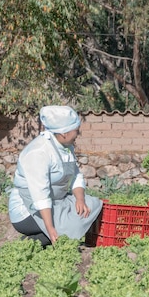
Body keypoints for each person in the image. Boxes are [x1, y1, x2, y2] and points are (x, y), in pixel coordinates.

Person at [7, 105, 103, 246]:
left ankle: (50, 235)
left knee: (92, 205)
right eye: (76, 131)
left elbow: (76, 176)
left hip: (56, 202)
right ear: (64, 133)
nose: (78, 134)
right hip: (30, 209)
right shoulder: (38, 152)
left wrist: (80, 199)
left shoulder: (66, 147)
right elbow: (41, 195)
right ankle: (31, 242)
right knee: (64, 230)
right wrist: (50, 227)